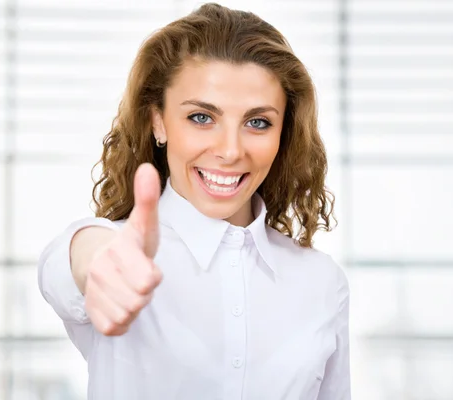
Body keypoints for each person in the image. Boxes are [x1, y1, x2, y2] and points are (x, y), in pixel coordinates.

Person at [38, 3, 350, 399]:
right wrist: (95, 257)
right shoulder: (118, 256)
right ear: (158, 121)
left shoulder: (322, 282)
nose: (231, 151)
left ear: (283, 132)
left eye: (258, 122)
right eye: (202, 117)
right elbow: (73, 259)